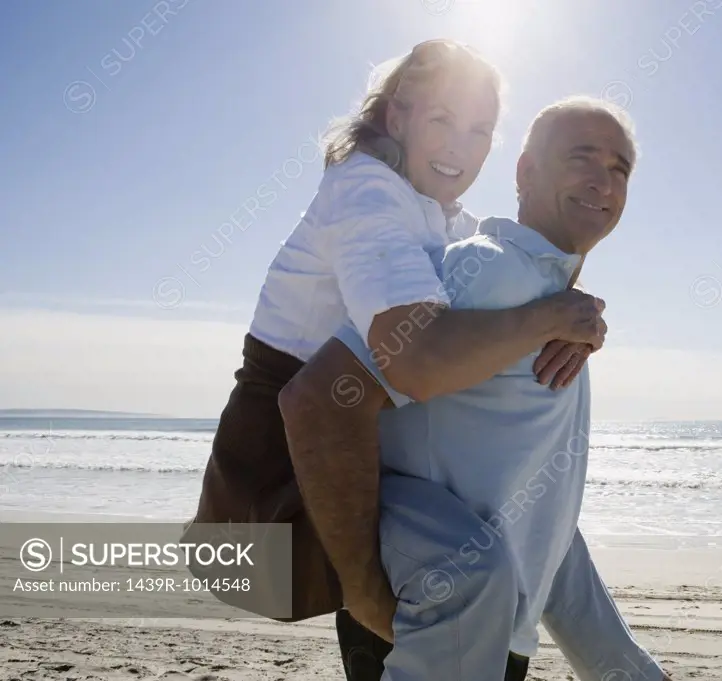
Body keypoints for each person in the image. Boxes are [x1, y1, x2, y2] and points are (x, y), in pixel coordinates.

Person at [186, 37, 629, 681]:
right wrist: (365, 590)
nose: (459, 147)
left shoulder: (445, 220)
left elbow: (510, 265)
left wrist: (573, 314)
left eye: (479, 130)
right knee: (470, 572)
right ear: (397, 119)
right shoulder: (366, 192)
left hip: (362, 461)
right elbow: (412, 360)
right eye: (442, 120)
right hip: (282, 476)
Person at [281, 96, 669, 681]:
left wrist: (629, 672)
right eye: (581, 158)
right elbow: (317, 399)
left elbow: (542, 525)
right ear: (525, 172)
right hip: (429, 615)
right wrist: (360, 589)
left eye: (619, 168)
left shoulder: (559, 305)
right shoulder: (482, 268)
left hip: (494, 636)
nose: (602, 180)